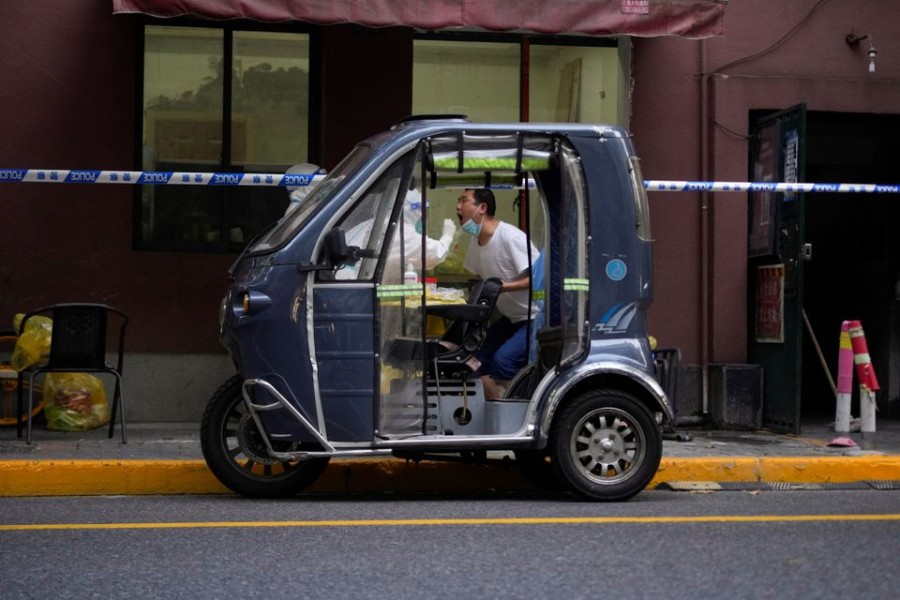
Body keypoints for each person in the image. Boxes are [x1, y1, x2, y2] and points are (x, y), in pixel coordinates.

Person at [457, 188, 538, 400]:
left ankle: (522, 410)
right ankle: (495, 411)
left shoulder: (511, 238)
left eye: (463, 201)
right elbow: (478, 279)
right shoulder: (476, 242)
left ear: (481, 208)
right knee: (474, 359)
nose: (458, 207)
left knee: (504, 361)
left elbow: (540, 278)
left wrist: (505, 286)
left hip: (535, 316)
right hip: (511, 318)